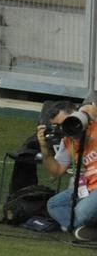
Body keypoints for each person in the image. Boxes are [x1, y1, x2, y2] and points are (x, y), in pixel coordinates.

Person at [40, 103, 97, 241]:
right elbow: (56, 172)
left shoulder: (94, 126)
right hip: (88, 187)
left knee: (80, 212)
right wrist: (44, 150)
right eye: (57, 126)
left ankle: (81, 226)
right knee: (54, 204)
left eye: (66, 123)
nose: (64, 128)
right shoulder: (67, 141)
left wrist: (90, 112)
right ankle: (85, 229)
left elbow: (90, 109)